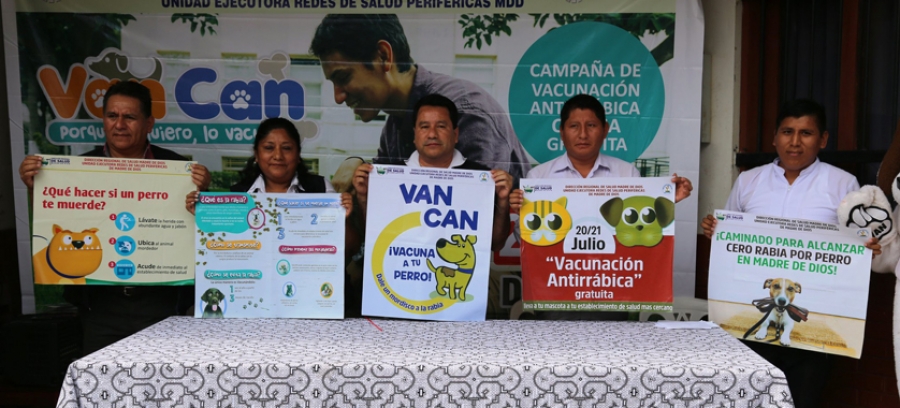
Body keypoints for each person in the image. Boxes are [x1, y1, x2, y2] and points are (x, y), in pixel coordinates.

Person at [701, 98, 881, 408]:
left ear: (822, 139)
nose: (795, 142)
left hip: (812, 325)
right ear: (775, 137)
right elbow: (730, 240)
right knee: (746, 399)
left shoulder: (842, 183)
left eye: (806, 133)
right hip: (750, 322)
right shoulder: (749, 180)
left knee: (801, 400)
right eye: (787, 132)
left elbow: (856, 247)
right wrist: (715, 230)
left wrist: (867, 249)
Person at [18, 81, 211, 355]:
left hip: (161, 302)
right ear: (103, 120)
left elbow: (206, 234)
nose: (119, 124)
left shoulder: (181, 170)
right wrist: (36, 188)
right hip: (100, 306)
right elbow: (55, 227)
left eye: (129, 117)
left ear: (149, 123)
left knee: (163, 379)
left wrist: (204, 198)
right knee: (100, 381)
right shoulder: (75, 171)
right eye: (112, 116)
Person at [508, 94, 692, 321]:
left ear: (605, 130)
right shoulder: (539, 177)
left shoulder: (626, 174)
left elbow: (639, 235)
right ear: (562, 132)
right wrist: (524, 214)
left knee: (611, 344)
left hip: (612, 290)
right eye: (574, 126)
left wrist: (667, 201)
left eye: (591, 125)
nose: (583, 134)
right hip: (557, 290)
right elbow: (527, 242)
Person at [309, 14, 531, 182]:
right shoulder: (393, 127)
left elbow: (476, 212)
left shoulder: (466, 110)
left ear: (383, 56)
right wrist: (358, 166)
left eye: (343, 77)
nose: (338, 97)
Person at [185, 117, 358, 314]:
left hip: (312, 298)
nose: (278, 155)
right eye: (269, 148)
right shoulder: (240, 195)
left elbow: (350, 248)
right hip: (255, 302)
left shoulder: (319, 188)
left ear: (298, 155)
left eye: (287, 148)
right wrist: (203, 216)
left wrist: (342, 218)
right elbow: (220, 252)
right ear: (256, 155)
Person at [352, 93, 512, 252]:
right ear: (415, 135)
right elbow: (373, 237)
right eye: (424, 127)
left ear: (455, 134)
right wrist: (363, 198)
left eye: (441, 126)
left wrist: (503, 201)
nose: (432, 134)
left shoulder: (480, 179)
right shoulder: (391, 178)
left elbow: (496, 244)